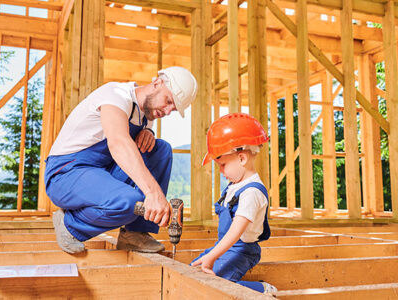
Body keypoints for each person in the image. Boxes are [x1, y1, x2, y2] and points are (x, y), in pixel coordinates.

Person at [44, 66, 197, 254]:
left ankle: (135, 234)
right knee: (129, 202)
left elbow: (134, 144)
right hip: (66, 173)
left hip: (99, 172)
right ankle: (70, 225)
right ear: (157, 83)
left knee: (160, 149)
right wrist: (153, 194)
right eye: (168, 101)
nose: (166, 111)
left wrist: (148, 131)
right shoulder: (115, 95)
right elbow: (118, 142)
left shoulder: (146, 113)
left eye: (172, 109)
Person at [190, 113, 277, 294]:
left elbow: (236, 232)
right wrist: (212, 254)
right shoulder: (234, 186)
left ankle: (262, 290)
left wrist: (212, 256)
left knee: (212, 284)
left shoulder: (251, 192)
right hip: (225, 246)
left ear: (242, 158)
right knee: (192, 273)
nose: (221, 171)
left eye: (222, 165)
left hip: (242, 250)